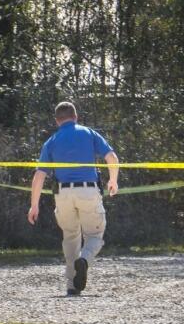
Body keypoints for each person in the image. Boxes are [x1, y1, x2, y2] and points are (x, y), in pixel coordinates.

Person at [27, 101, 119, 296]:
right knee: (95, 235)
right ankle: (84, 260)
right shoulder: (89, 133)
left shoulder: (51, 141)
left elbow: (39, 176)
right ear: (76, 117)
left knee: (70, 237)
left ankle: (72, 286)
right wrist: (113, 180)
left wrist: (34, 206)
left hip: (62, 194)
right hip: (88, 192)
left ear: (57, 121)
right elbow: (111, 157)